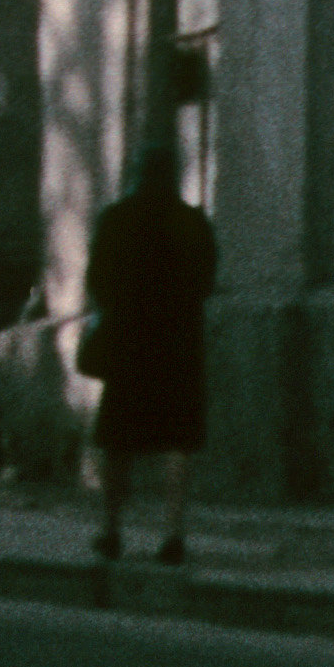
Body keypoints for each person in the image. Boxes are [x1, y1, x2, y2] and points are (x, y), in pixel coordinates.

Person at [82, 138, 215, 565]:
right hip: (177, 348)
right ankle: (173, 535)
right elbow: (206, 282)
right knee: (176, 442)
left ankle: (110, 531)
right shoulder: (193, 222)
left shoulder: (116, 219)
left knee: (118, 442)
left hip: (128, 347)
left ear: (136, 170)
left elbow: (97, 280)